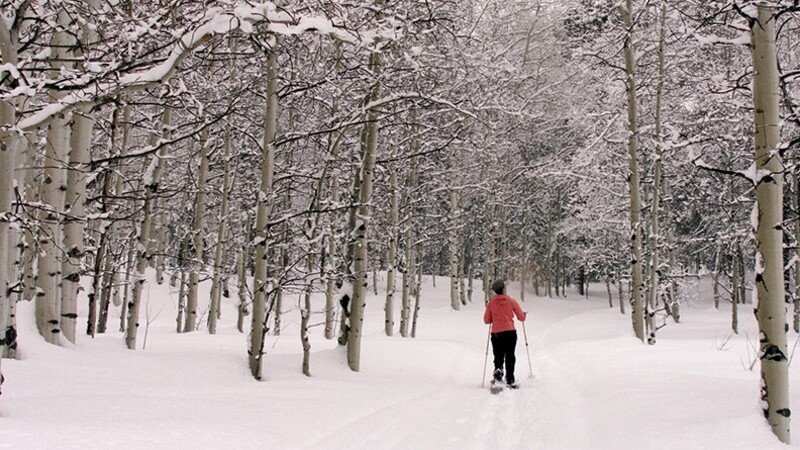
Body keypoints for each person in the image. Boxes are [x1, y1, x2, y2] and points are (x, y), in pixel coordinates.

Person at [483, 279, 526, 387]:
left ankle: (498, 374)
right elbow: (521, 317)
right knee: (510, 355)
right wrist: (524, 315)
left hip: (497, 334)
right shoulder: (512, 301)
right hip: (510, 333)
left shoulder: (491, 303)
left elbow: (486, 320)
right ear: (503, 289)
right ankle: (510, 378)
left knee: (498, 355)